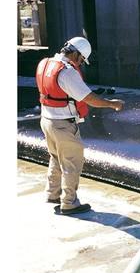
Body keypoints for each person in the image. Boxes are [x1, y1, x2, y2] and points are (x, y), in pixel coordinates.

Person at [35, 36, 125, 215]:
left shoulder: (45, 63)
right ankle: (69, 203)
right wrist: (112, 103)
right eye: (82, 59)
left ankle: (52, 194)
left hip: (46, 120)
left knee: (55, 157)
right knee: (72, 163)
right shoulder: (67, 72)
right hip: (62, 124)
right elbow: (89, 99)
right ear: (75, 53)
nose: (82, 63)